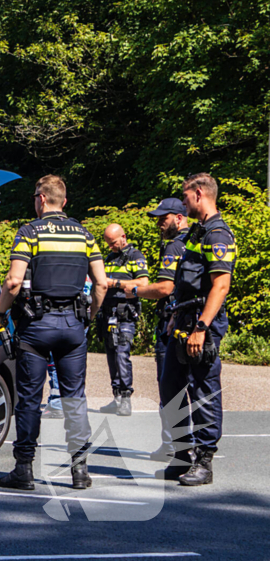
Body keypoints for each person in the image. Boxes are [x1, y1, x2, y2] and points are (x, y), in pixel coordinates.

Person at [0, 175, 108, 491]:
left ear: (41, 199)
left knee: (29, 399)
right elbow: (101, 283)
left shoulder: (29, 233)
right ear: (64, 202)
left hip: (35, 328)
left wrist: (1, 312)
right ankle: (80, 471)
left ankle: (24, 470)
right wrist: (88, 317)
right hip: (73, 327)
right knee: (75, 399)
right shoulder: (84, 235)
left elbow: (14, 281)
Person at [155, 174, 235, 486]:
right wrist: (176, 315)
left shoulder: (217, 234)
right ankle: (181, 455)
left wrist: (202, 326)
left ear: (198, 194)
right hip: (182, 320)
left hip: (202, 324)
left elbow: (221, 285)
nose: (184, 202)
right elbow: (183, 283)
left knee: (202, 391)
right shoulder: (197, 233)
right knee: (170, 389)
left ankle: (204, 462)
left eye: (186, 197)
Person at [125, 197, 189, 460]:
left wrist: (135, 290)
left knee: (169, 386)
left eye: (164, 218)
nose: (160, 223)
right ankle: (180, 445)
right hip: (189, 318)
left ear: (179, 217)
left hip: (171, 321)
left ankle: (174, 445)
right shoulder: (193, 242)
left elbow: (165, 288)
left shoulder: (175, 246)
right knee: (184, 385)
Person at [97, 224, 150, 416]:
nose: (110, 247)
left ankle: (126, 397)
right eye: (108, 244)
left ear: (123, 237)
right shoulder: (110, 258)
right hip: (108, 313)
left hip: (125, 313)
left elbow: (143, 284)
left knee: (122, 353)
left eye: (113, 243)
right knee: (111, 355)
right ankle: (117, 397)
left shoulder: (135, 256)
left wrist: (115, 283)